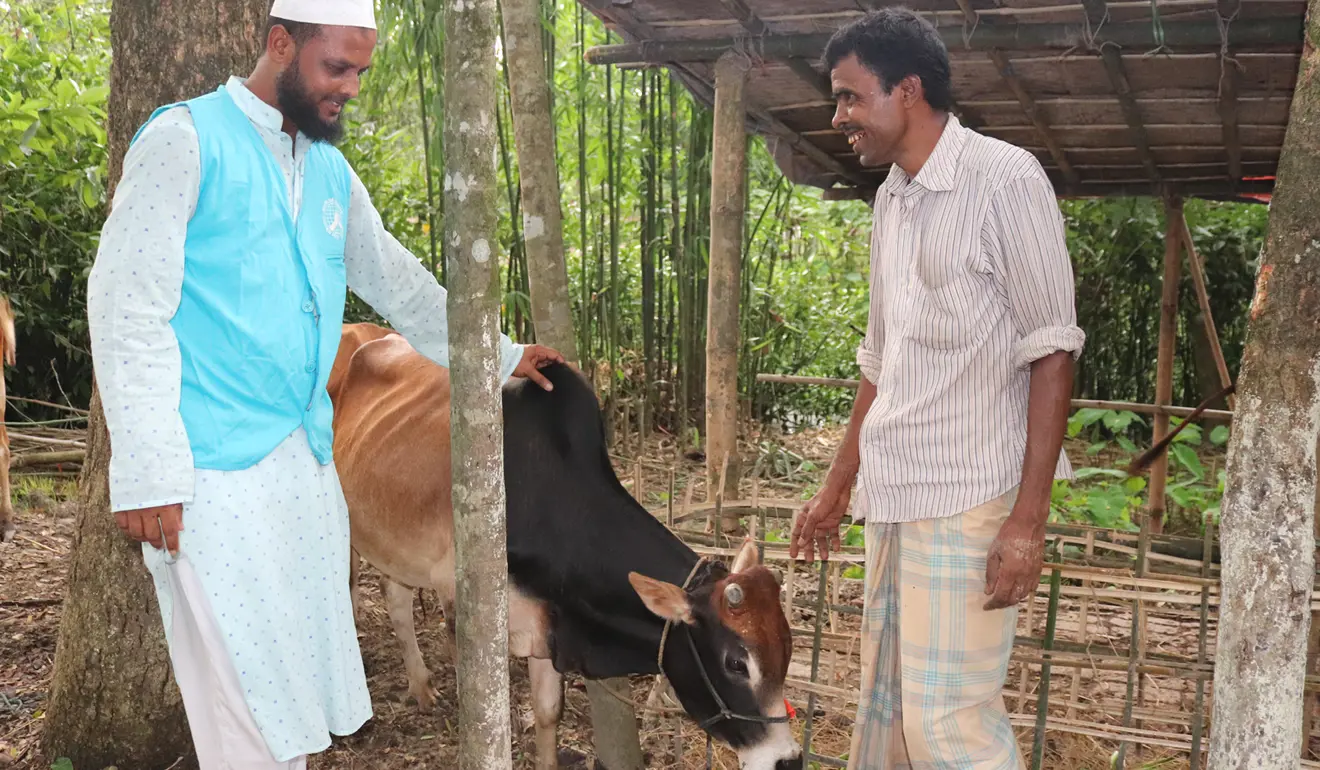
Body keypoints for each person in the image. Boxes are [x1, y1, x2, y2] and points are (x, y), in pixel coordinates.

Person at [85, 1, 563, 767]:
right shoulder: (185, 140)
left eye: (361, 71)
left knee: (293, 700)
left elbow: (399, 285)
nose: (351, 88)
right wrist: (146, 468)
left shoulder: (330, 171)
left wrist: (499, 356)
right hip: (205, 476)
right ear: (281, 44)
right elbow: (124, 306)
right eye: (336, 67)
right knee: (238, 703)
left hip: (306, 470)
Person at [788, 8, 1085, 769]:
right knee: (891, 714)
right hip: (895, 494)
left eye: (851, 96)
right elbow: (880, 363)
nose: (839, 116)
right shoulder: (892, 198)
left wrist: (1026, 522)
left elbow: (1052, 351)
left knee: (948, 725)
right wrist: (835, 489)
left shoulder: (1004, 179)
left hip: (969, 497)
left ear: (908, 91)